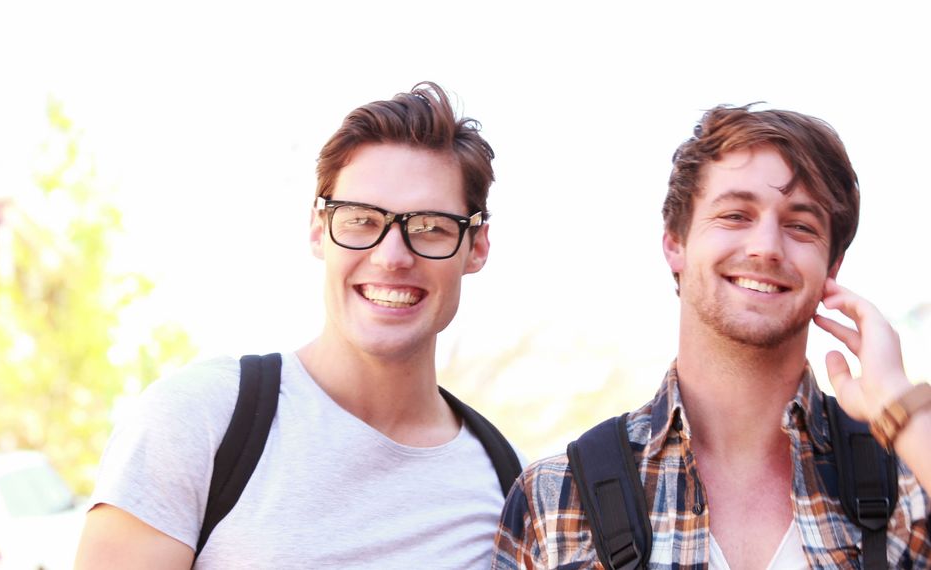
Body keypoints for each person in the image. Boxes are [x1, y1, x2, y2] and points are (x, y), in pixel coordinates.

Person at [75, 82, 522, 569]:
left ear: (476, 247)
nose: (392, 257)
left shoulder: (506, 484)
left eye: (430, 227)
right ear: (318, 230)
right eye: (360, 220)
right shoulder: (199, 420)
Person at [492, 104, 931, 568]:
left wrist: (899, 407)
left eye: (800, 225)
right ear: (675, 244)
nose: (765, 247)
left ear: (832, 268)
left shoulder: (910, 478)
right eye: (736, 216)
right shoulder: (558, 499)